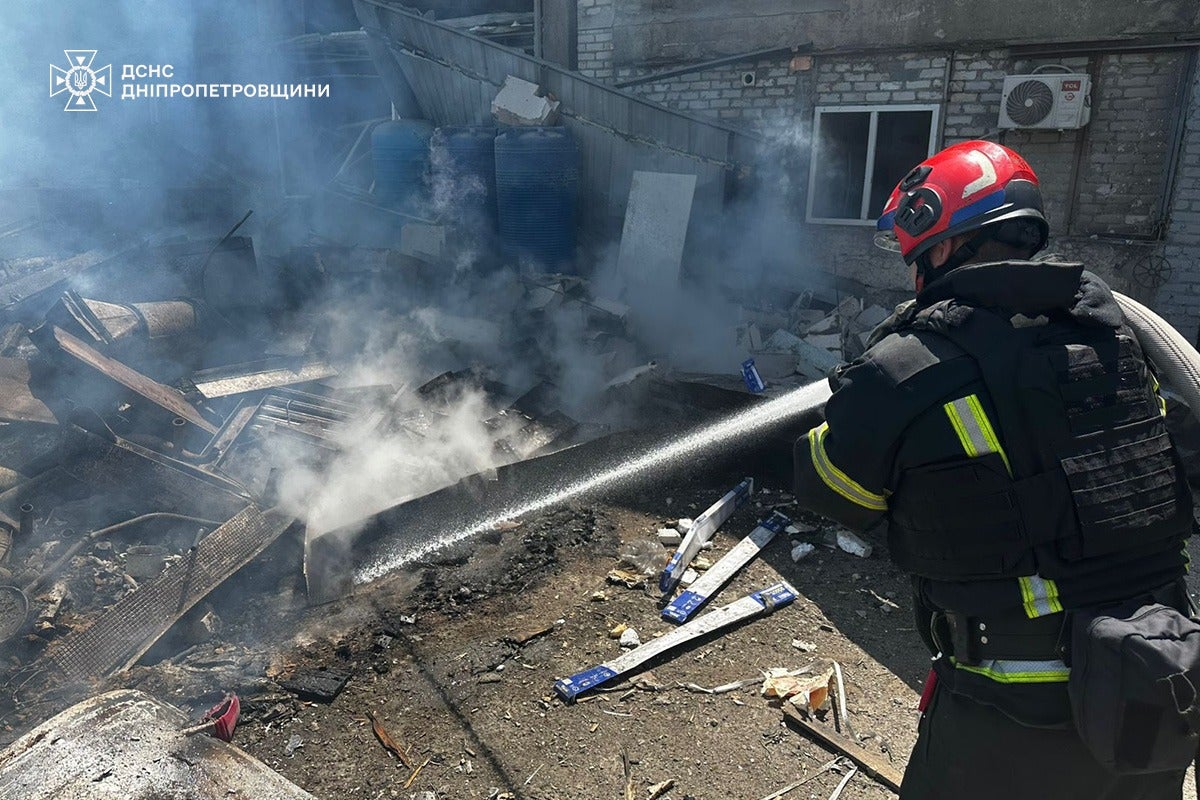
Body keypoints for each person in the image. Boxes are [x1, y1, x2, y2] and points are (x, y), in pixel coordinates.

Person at [792, 140, 1195, 799]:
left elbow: (833, 486)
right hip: (1154, 677)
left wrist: (837, 419)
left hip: (1013, 711)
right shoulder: (1112, 336)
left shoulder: (904, 365)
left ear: (941, 246)